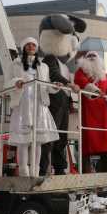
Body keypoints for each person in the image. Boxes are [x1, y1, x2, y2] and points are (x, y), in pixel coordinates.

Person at [38, 14, 85, 175]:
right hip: (53, 102)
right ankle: (42, 167)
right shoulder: (50, 58)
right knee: (51, 135)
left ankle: (59, 167)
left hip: (63, 104)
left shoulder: (65, 65)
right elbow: (54, 75)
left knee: (62, 137)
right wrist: (69, 84)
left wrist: (71, 102)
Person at [9, 37, 60, 177]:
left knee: (38, 141)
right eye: (28, 45)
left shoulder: (44, 66)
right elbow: (8, 81)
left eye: (33, 45)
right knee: (23, 141)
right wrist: (17, 82)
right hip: (24, 103)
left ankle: (35, 170)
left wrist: (55, 87)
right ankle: (24, 170)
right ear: (24, 47)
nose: (31, 47)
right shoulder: (16, 64)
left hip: (39, 104)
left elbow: (47, 86)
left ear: (36, 48)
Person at [74, 51, 107, 173]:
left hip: (103, 113)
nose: (92, 58)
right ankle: (85, 174)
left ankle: (106, 174)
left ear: (99, 59)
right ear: (84, 59)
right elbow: (80, 81)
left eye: (94, 56)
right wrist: (95, 90)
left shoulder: (104, 75)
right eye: (89, 56)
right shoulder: (81, 72)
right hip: (88, 110)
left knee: (106, 144)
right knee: (87, 142)